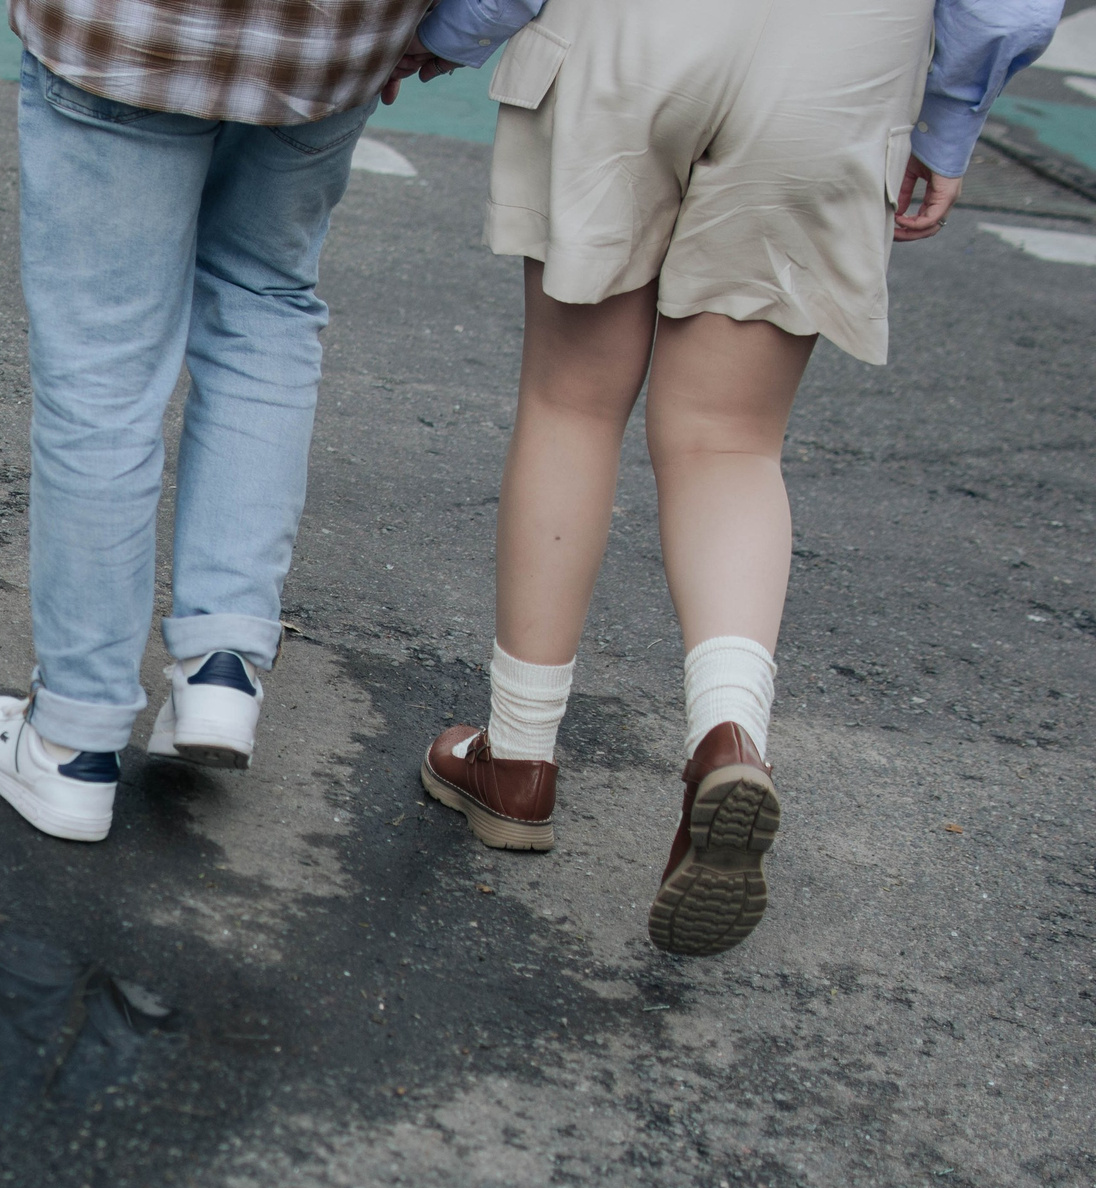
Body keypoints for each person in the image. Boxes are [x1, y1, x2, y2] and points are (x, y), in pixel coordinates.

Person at [415, 0, 1061, 954]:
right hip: (842, 60)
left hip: (633, 34)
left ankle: (516, 759)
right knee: (730, 440)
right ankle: (727, 736)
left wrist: (451, 31)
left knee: (573, 401)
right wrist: (951, 112)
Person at [0, 0, 476, 842]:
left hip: (129, 29)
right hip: (329, 39)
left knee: (102, 362)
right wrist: (448, 29)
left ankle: (73, 743)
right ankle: (220, 671)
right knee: (264, 301)